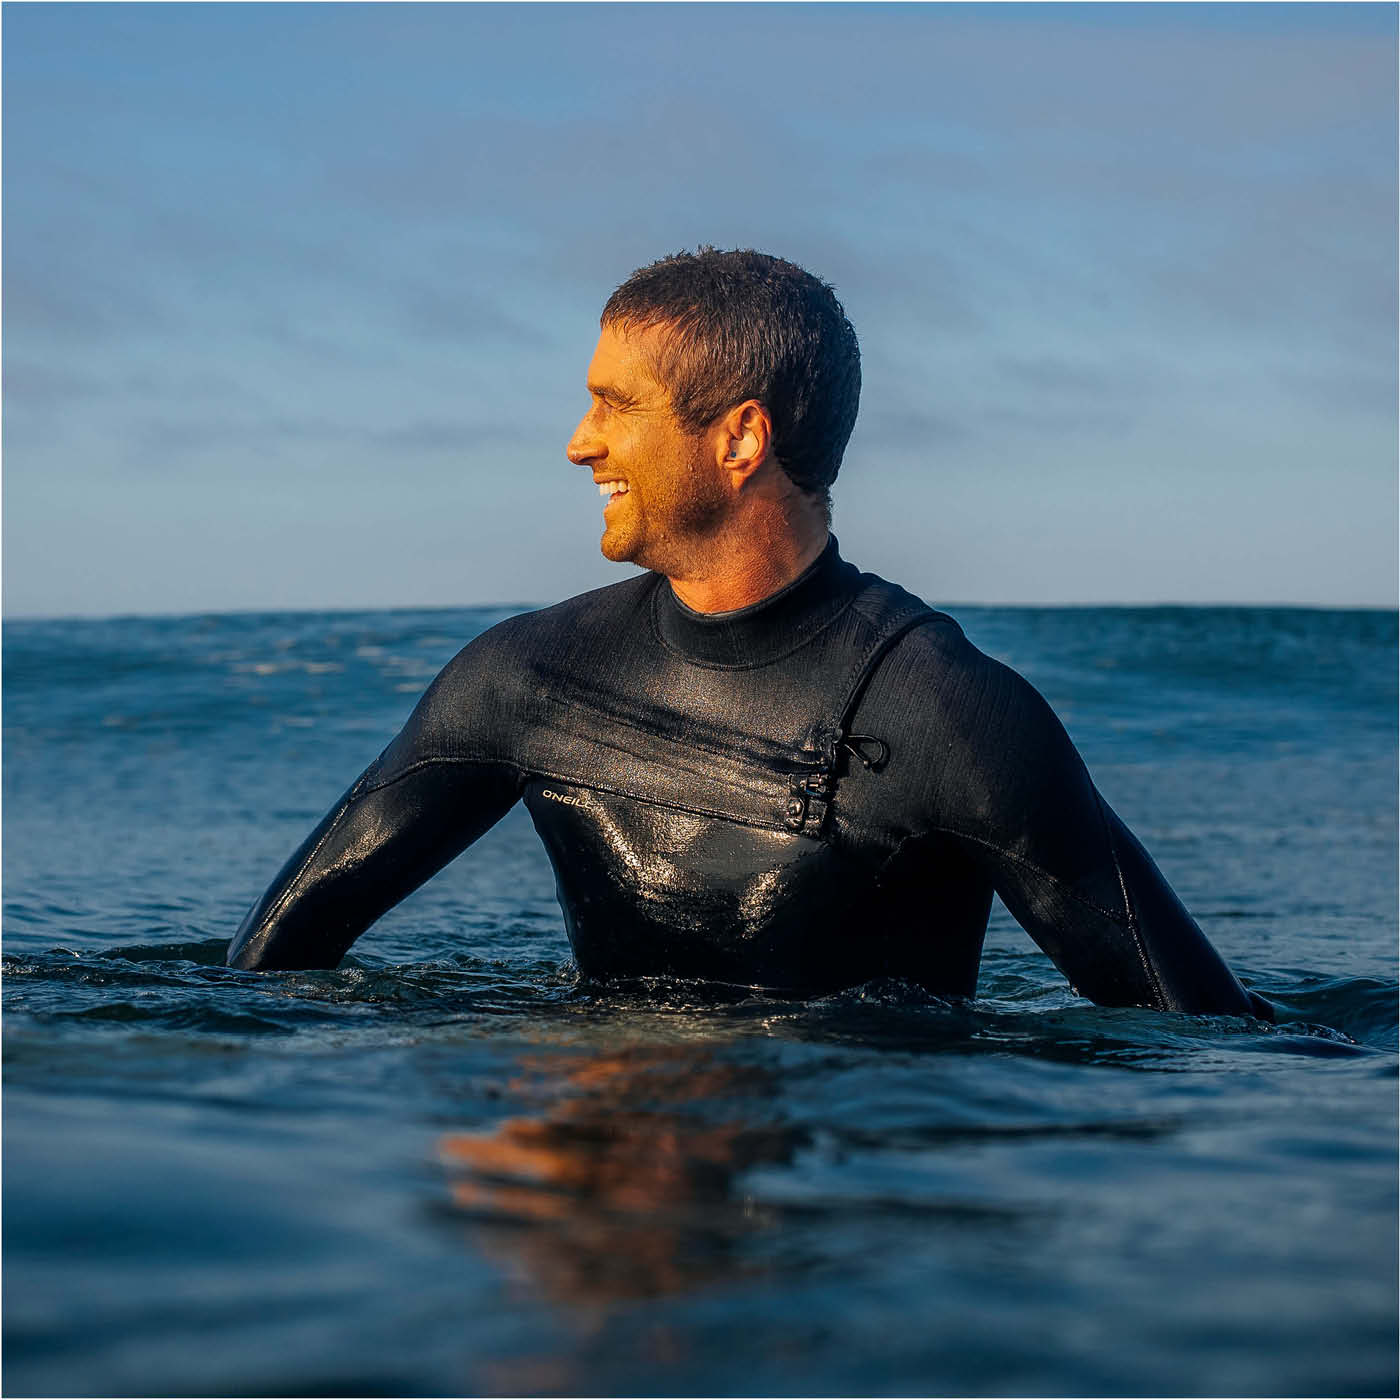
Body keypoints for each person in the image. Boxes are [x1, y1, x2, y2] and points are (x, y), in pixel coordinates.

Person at [227, 247, 1270, 1020]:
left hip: (834, 1228)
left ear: (738, 436)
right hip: (613, 1174)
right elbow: (266, 966)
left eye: (613, 405)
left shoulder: (950, 716)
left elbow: (1206, 1036)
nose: (578, 442)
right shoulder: (526, 677)